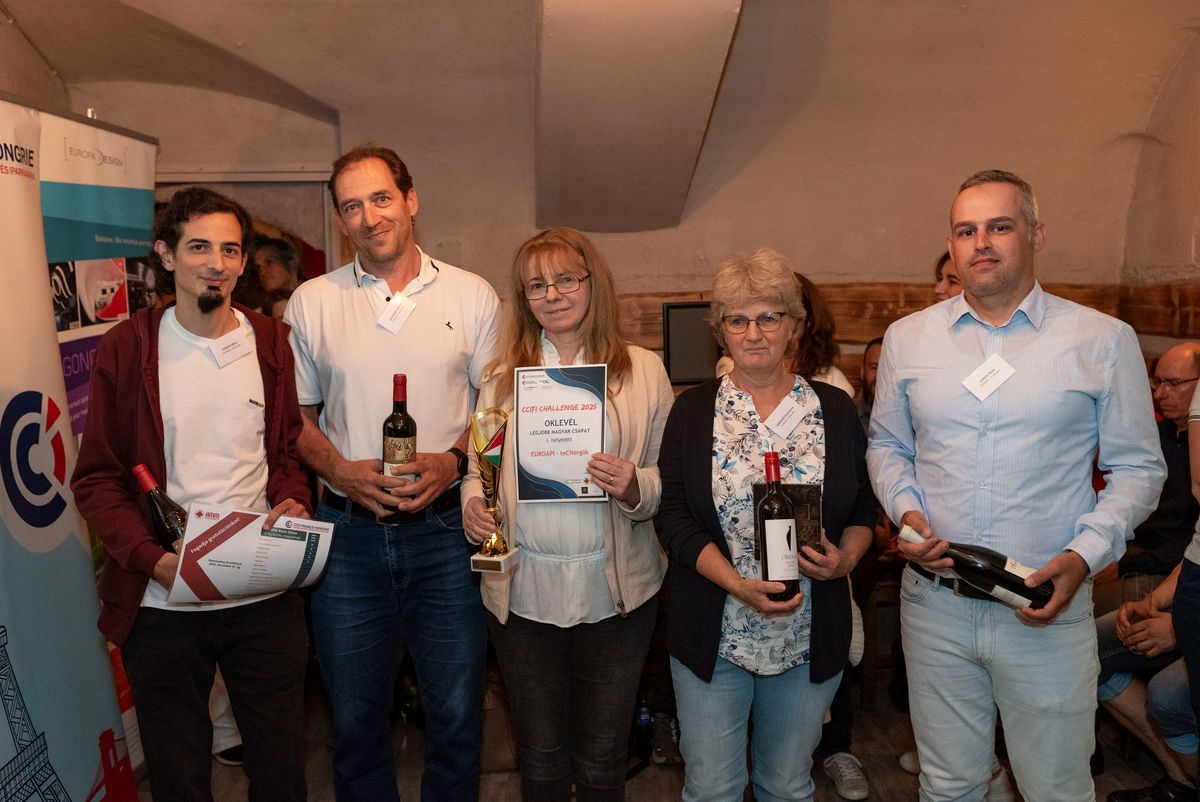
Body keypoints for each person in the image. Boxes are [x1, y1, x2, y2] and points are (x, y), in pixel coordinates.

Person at [868, 169, 1166, 801]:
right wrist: (907, 512)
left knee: (1055, 787)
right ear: (951, 245)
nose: (981, 243)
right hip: (935, 605)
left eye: (999, 226)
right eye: (965, 230)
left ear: (1036, 234)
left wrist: (1084, 555)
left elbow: (1139, 469)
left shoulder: (1102, 340)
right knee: (948, 785)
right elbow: (888, 447)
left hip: (1043, 605)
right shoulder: (908, 339)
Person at [71, 187, 311, 802]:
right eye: (199, 247)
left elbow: (283, 454)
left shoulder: (269, 341)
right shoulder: (129, 348)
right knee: (179, 779)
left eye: (230, 250)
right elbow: (97, 479)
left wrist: (293, 500)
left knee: (282, 773)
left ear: (244, 261)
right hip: (166, 601)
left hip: (263, 594)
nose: (216, 263)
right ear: (165, 255)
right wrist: (151, 559)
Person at [284, 145, 500, 801]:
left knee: (457, 718)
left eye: (381, 198)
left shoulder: (472, 294)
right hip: (347, 539)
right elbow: (295, 417)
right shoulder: (312, 302)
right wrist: (340, 472)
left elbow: (495, 411)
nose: (369, 217)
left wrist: (453, 461)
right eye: (351, 206)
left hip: (447, 538)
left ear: (411, 199)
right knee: (354, 724)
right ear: (340, 220)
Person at [460, 227, 674, 801]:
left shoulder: (644, 371)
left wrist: (635, 485)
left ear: (592, 282)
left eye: (565, 279)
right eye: (536, 286)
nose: (552, 294)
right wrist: (474, 505)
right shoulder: (500, 380)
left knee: (603, 760)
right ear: (523, 298)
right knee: (541, 759)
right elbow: (478, 468)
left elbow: (666, 481)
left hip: (617, 594)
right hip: (525, 593)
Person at [659, 248, 875, 802]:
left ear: (794, 325)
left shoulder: (834, 409)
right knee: (713, 788)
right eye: (737, 320)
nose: (753, 334)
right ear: (721, 331)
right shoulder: (693, 411)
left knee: (787, 784)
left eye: (768, 317)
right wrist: (735, 583)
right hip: (716, 629)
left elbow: (862, 508)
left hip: (808, 631)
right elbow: (674, 517)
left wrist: (847, 559)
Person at [1097, 562, 1196, 802]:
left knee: (1166, 694)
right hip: (1191, 607)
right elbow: (1193, 562)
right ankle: (1181, 777)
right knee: (1089, 650)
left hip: (1190, 619)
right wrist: (1151, 602)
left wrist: (1179, 628)